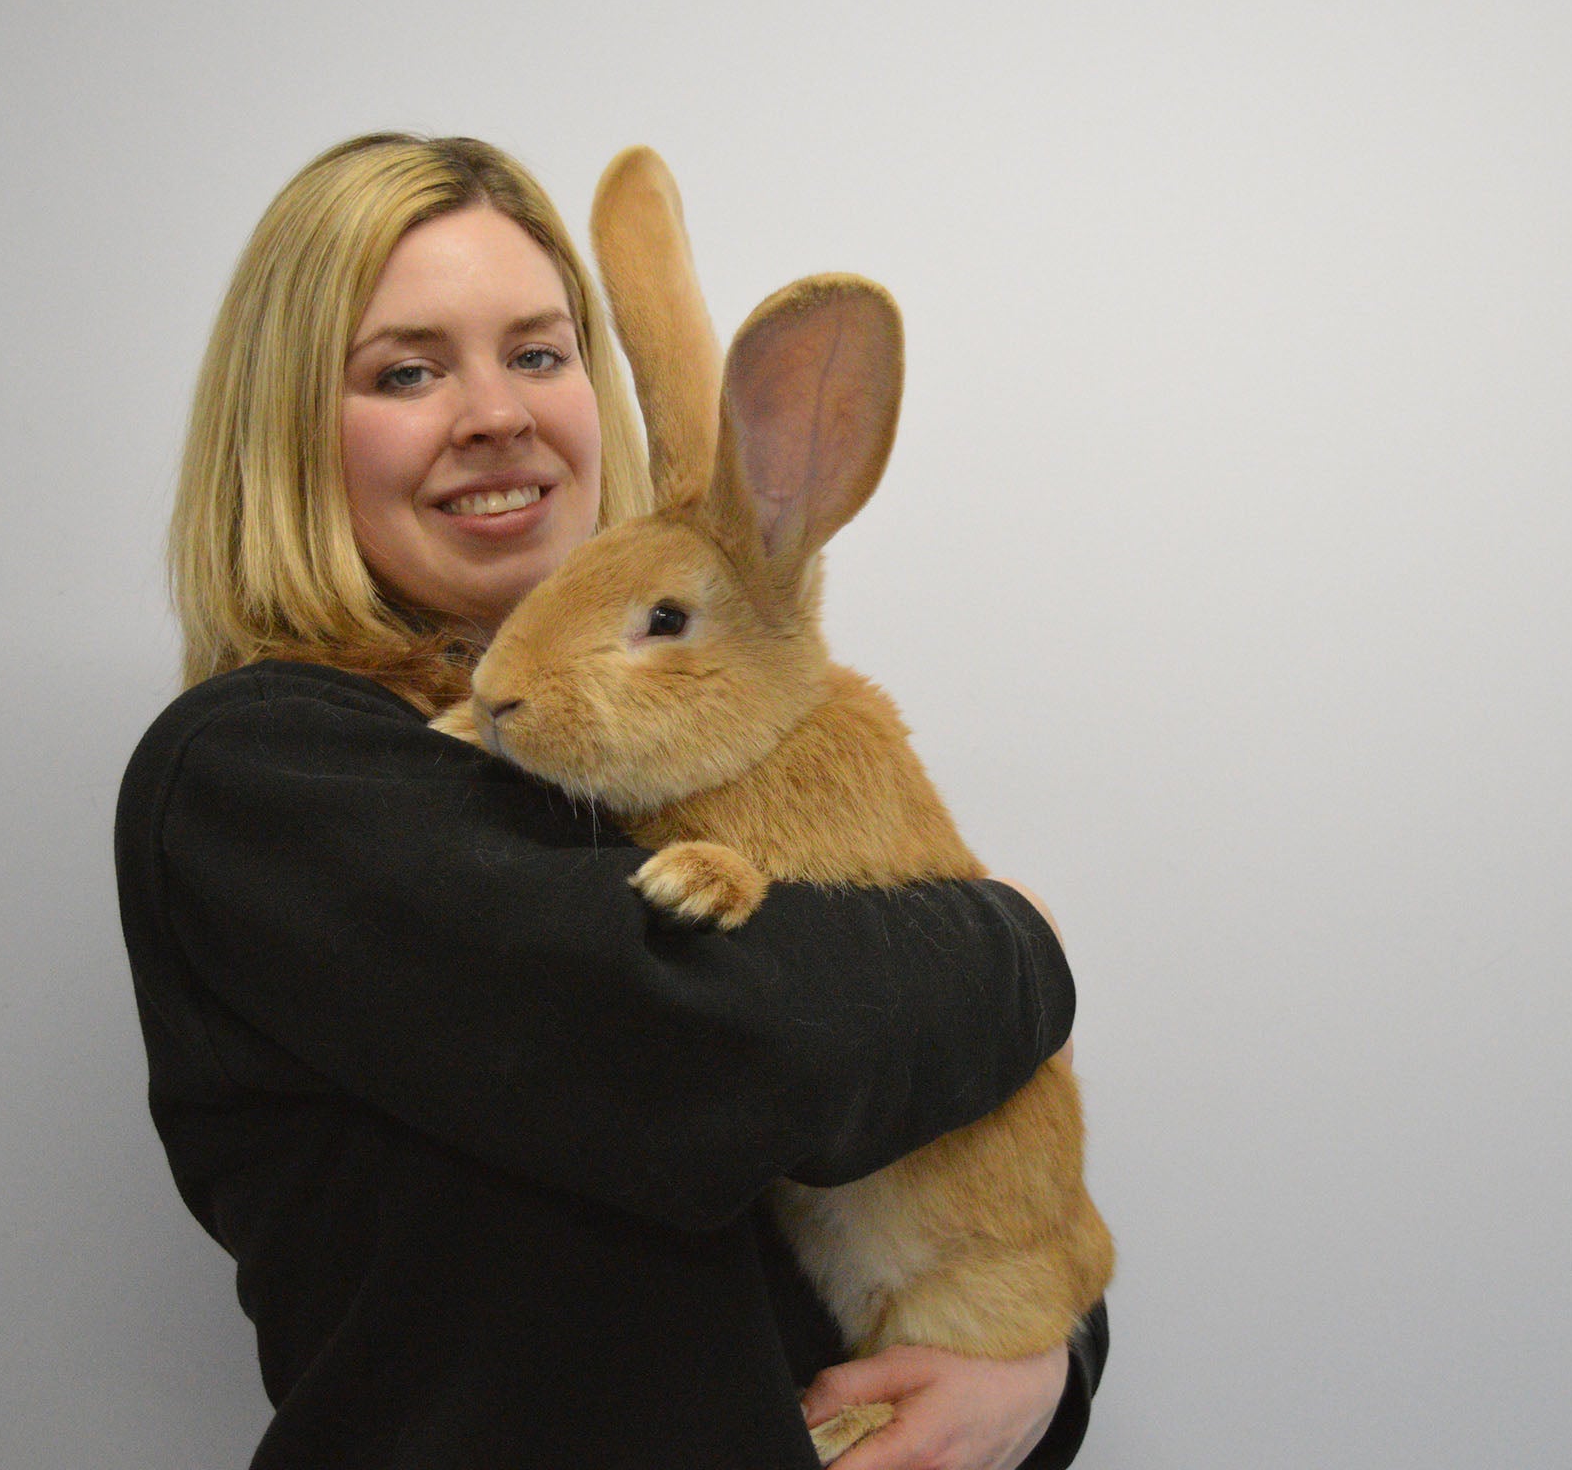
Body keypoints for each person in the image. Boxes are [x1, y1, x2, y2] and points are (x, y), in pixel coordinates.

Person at [115, 132, 1108, 1470]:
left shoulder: (675, 749)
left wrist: (1036, 1368)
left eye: (537, 353)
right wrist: (1019, 939)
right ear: (291, 429)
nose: (496, 414)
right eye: (406, 371)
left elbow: (968, 1150)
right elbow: (739, 1058)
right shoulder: (260, 777)